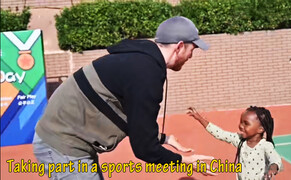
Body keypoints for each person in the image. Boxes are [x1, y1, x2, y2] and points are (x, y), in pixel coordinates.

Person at [33, 16, 214, 179]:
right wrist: (185, 160)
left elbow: (129, 118)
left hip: (65, 139)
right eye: (193, 49)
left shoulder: (138, 60)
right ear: (180, 46)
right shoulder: (146, 75)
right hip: (62, 145)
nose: (191, 55)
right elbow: (145, 149)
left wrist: (164, 138)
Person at [187, 106, 283, 180]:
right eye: (241, 122)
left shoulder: (265, 146)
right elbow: (220, 133)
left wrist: (272, 170)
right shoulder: (239, 140)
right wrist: (200, 118)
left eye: (246, 123)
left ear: (260, 129)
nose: (241, 126)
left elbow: (275, 160)